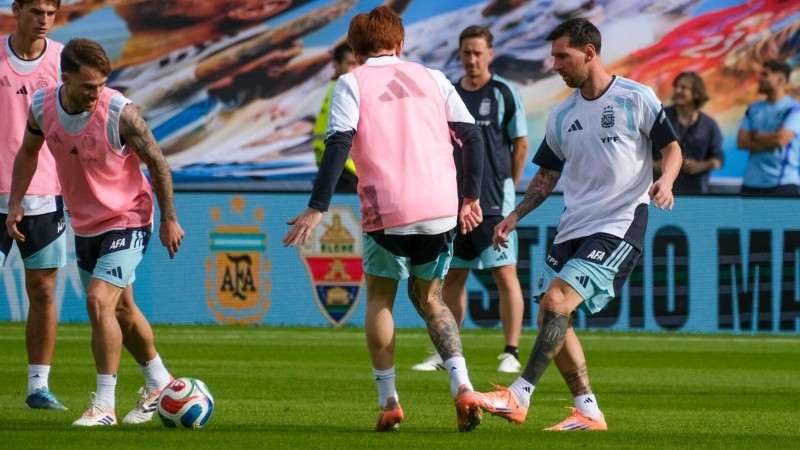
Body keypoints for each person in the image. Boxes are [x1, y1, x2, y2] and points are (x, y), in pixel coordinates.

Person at [283, 6, 486, 432]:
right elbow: (471, 137)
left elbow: (338, 144)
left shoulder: (350, 83)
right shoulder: (433, 77)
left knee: (380, 299)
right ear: (400, 43)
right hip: (439, 208)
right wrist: (471, 197)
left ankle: (389, 400)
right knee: (432, 299)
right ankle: (463, 385)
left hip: (387, 210)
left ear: (355, 51)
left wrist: (318, 206)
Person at [479, 18, 682, 431]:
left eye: (562, 56)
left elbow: (672, 147)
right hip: (572, 227)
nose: (554, 64)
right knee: (552, 315)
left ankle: (517, 396)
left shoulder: (636, 97)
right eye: (553, 56)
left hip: (619, 223)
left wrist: (667, 178)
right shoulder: (561, 115)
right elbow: (546, 177)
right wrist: (516, 215)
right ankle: (588, 410)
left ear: (589, 53)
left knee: (555, 302)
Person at [6, 38, 185, 427]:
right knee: (121, 309)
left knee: (98, 301)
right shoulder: (42, 106)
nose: (96, 93)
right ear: (65, 78)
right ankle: (160, 382)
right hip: (86, 224)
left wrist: (169, 218)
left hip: (129, 216)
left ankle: (104, 406)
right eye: (89, 86)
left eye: (102, 84)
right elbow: (28, 153)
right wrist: (16, 200)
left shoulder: (119, 112)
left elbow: (157, 162)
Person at [412, 25, 528, 374]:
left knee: (505, 275)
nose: (472, 59)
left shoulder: (504, 92)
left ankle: (511, 351)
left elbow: (520, 144)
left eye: (478, 52)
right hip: (453, 204)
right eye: (467, 53)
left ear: (490, 54)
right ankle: (446, 352)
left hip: (494, 204)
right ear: (460, 55)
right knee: (453, 279)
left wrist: (509, 185)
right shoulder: (449, 92)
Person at [0, 0, 66, 411]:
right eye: (35, 11)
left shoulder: (63, 61)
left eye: (50, 13)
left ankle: (38, 387)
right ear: (17, 9)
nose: (43, 20)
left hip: (43, 194)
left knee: (42, 290)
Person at [653, 71, 724, 194]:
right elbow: (640, 153)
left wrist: (702, 165)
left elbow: (718, 159)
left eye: (683, 87)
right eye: (676, 87)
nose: (677, 91)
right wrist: (655, 165)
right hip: (660, 193)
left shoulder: (709, 125)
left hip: (696, 194)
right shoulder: (660, 118)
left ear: (696, 93)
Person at [737, 59, 800, 197]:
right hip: (751, 183)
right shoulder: (753, 109)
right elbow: (742, 141)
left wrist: (756, 136)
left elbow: (780, 139)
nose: (760, 79)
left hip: (782, 183)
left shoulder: (793, 109)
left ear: (780, 79)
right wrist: (770, 140)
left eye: (765, 74)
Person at [312, 42, 358, 193]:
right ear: (336, 64)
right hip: (344, 169)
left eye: (358, 64)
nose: (355, 69)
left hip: (336, 167)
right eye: (350, 64)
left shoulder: (334, 87)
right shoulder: (342, 89)